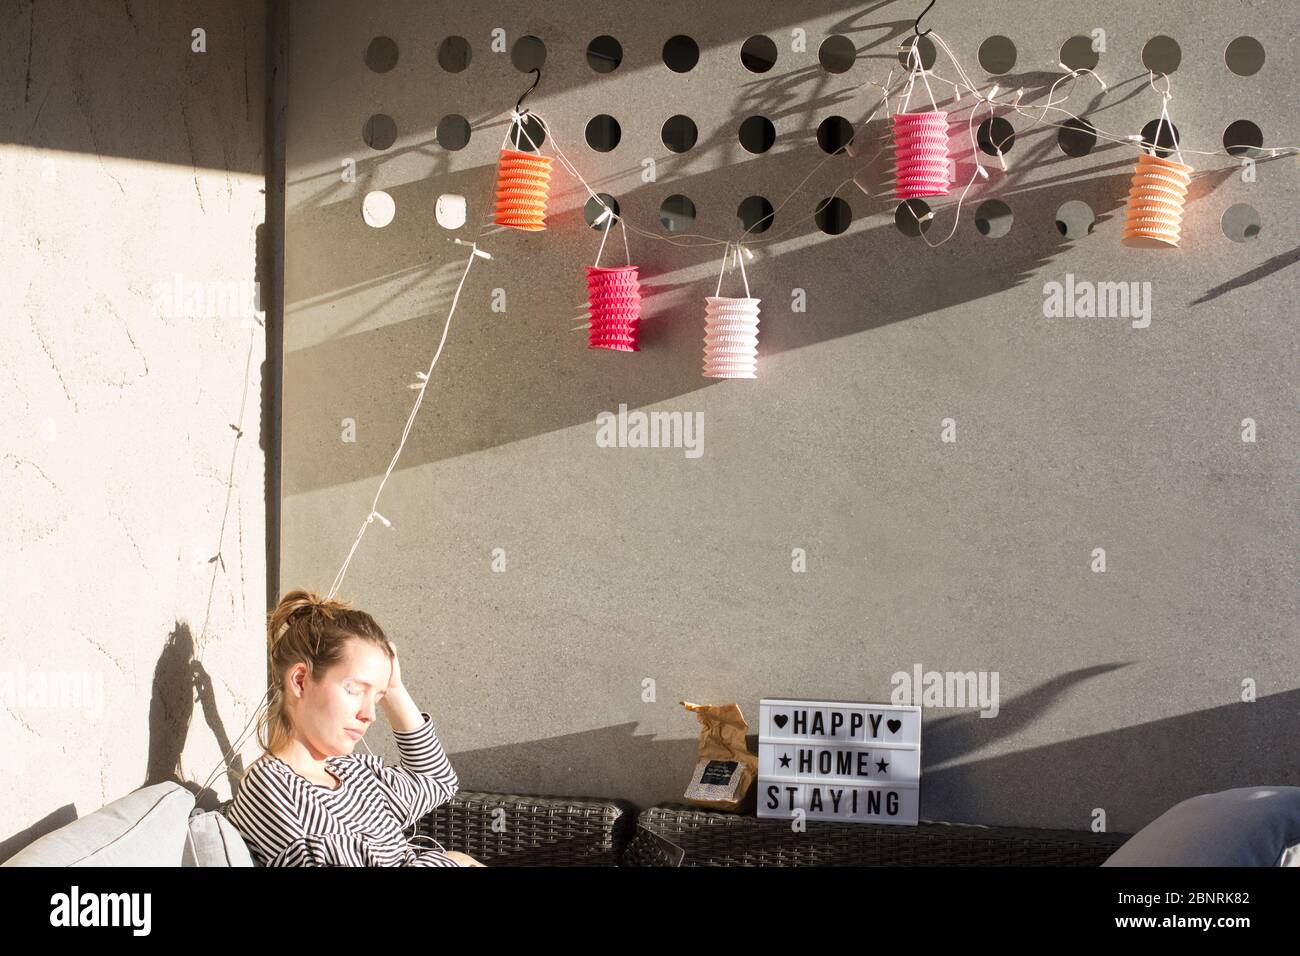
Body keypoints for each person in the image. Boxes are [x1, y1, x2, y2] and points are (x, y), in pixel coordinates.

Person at [223, 589, 484, 867]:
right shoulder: (272, 787)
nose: (369, 714)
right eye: (354, 689)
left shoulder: (353, 772)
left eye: (377, 697)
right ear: (300, 681)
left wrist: (394, 689)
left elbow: (437, 781)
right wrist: (451, 861)